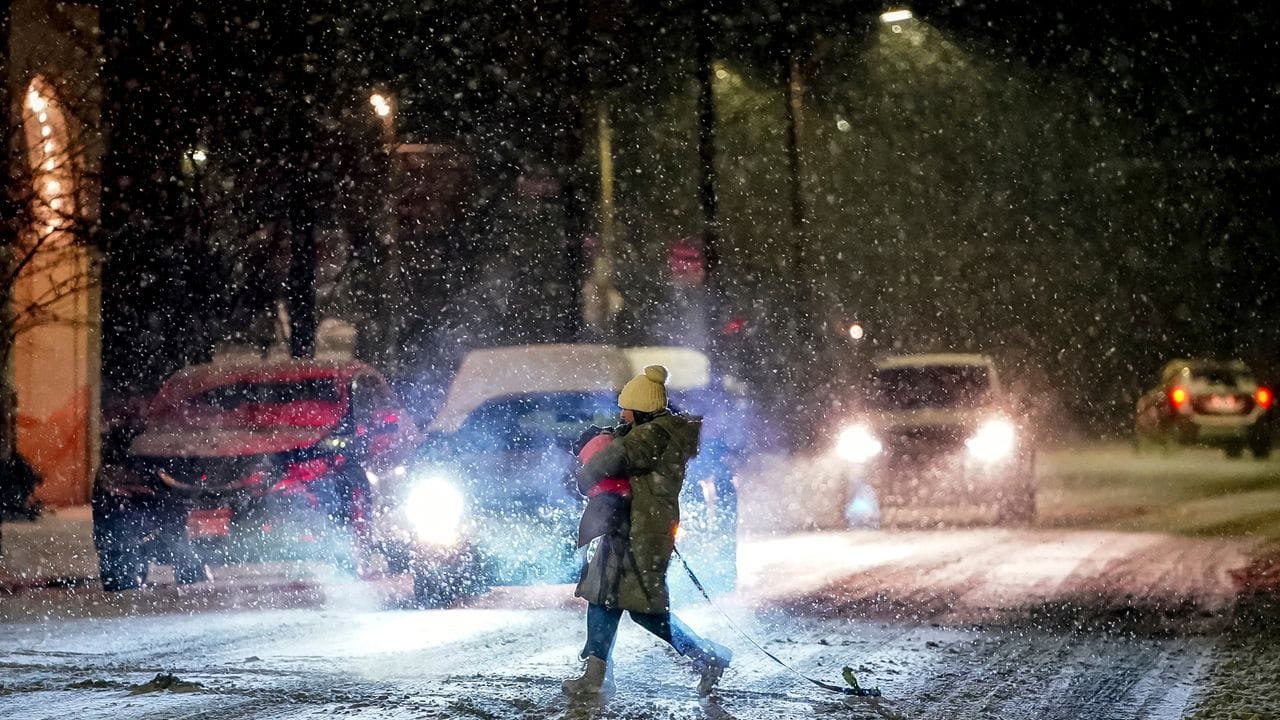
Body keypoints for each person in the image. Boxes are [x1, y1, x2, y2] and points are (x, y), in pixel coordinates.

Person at [563, 365, 732, 700]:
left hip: (643, 534)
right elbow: (625, 442)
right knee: (602, 597)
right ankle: (595, 675)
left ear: (639, 408)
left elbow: (620, 453)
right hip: (627, 529)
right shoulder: (651, 431)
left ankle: (707, 657)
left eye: (625, 407)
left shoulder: (654, 436)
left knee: (645, 611)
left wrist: (584, 478)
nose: (621, 413)